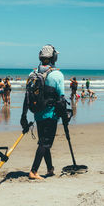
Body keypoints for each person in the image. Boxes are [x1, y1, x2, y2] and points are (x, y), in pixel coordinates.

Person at [20, 44, 65, 180]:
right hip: (51, 115)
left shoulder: (32, 74)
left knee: (44, 142)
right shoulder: (57, 74)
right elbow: (61, 97)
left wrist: (24, 116)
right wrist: (65, 117)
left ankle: (50, 169)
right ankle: (33, 171)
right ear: (54, 58)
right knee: (45, 143)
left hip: (38, 114)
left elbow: (27, 96)